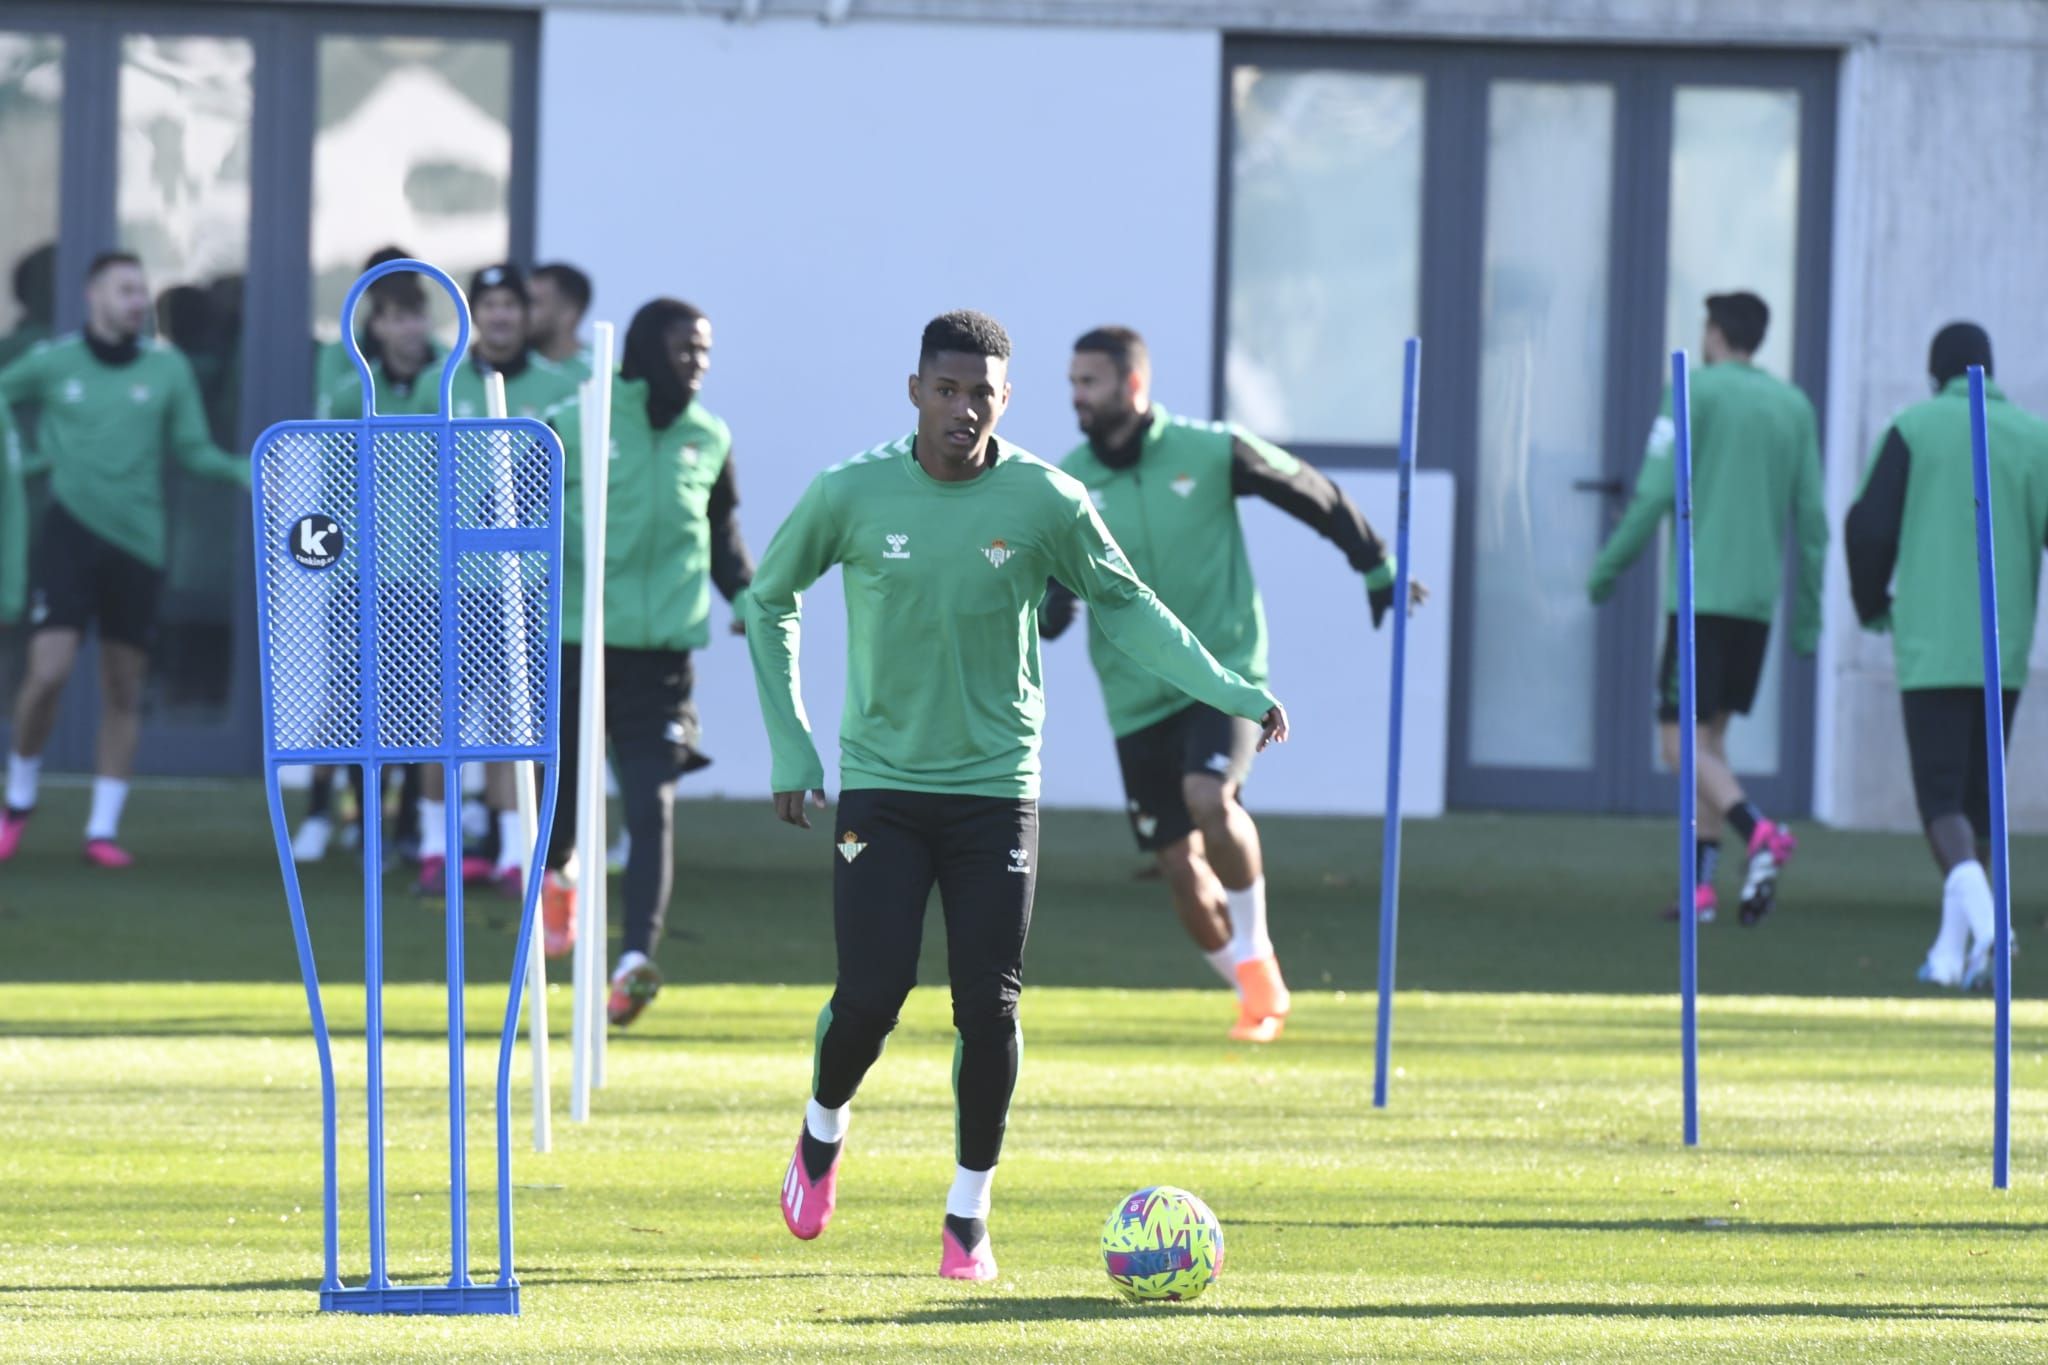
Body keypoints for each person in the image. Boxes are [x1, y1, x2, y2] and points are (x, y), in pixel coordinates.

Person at [749, 310, 1288, 1282]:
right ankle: (822, 1130)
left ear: (1007, 399)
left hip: (997, 790)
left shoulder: (1046, 499)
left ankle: (967, 1214)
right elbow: (768, 598)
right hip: (882, 785)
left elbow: (1126, 606)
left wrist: (1231, 690)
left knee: (987, 1010)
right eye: (945, 390)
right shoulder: (850, 491)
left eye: (981, 393)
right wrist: (789, 744)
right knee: (870, 998)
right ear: (914, 390)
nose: (962, 409)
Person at [1042, 325, 1422, 1043]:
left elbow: (1308, 488)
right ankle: (1255, 986)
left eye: (1088, 382)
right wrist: (1049, 604)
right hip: (1131, 695)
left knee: (1208, 797)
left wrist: (1372, 561)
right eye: (1071, 383)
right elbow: (1050, 587)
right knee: (1178, 866)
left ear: (1132, 385)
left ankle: (1257, 952)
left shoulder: (1212, 448)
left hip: (1225, 675)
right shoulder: (1065, 482)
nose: (1076, 397)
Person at [0, 251, 250, 865]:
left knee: (123, 686)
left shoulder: (167, 372)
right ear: (93, 296)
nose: (138, 301)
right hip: (67, 536)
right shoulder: (54, 362)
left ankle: (103, 829)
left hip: (139, 545)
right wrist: (26, 456)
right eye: (125, 290)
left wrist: (250, 471)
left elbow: (194, 450)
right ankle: (19, 798)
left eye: (142, 291)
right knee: (48, 675)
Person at [541, 297, 750, 1026]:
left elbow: (721, 533)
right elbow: (506, 501)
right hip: (576, 640)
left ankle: (634, 960)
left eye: (705, 350)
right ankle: (558, 868)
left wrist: (748, 597)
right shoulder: (583, 417)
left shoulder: (709, 435)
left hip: (661, 660)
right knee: (560, 797)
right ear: (642, 349)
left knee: (651, 802)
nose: (697, 362)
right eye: (684, 347)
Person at [1587, 291, 1826, 925]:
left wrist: (1607, 568)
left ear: (1715, 333)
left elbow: (1652, 492)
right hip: (1754, 604)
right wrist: (1807, 617)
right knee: (1709, 743)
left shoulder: (1693, 391)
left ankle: (1758, 832)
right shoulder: (1794, 405)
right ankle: (1700, 890)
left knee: (1677, 746)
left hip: (1699, 598)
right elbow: (1814, 519)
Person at [1846, 323, 2048, 988]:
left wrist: (1872, 601)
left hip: (1932, 644)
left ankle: (1992, 928)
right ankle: (1947, 955)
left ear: (1936, 374)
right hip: (2005, 648)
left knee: (1940, 802)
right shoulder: (2032, 436)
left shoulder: (1915, 427)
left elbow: (1869, 526)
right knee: (1977, 801)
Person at [529, 262, 594, 382]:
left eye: (535, 303)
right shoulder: (510, 368)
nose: (523, 311)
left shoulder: (600, 373)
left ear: (569, 313)